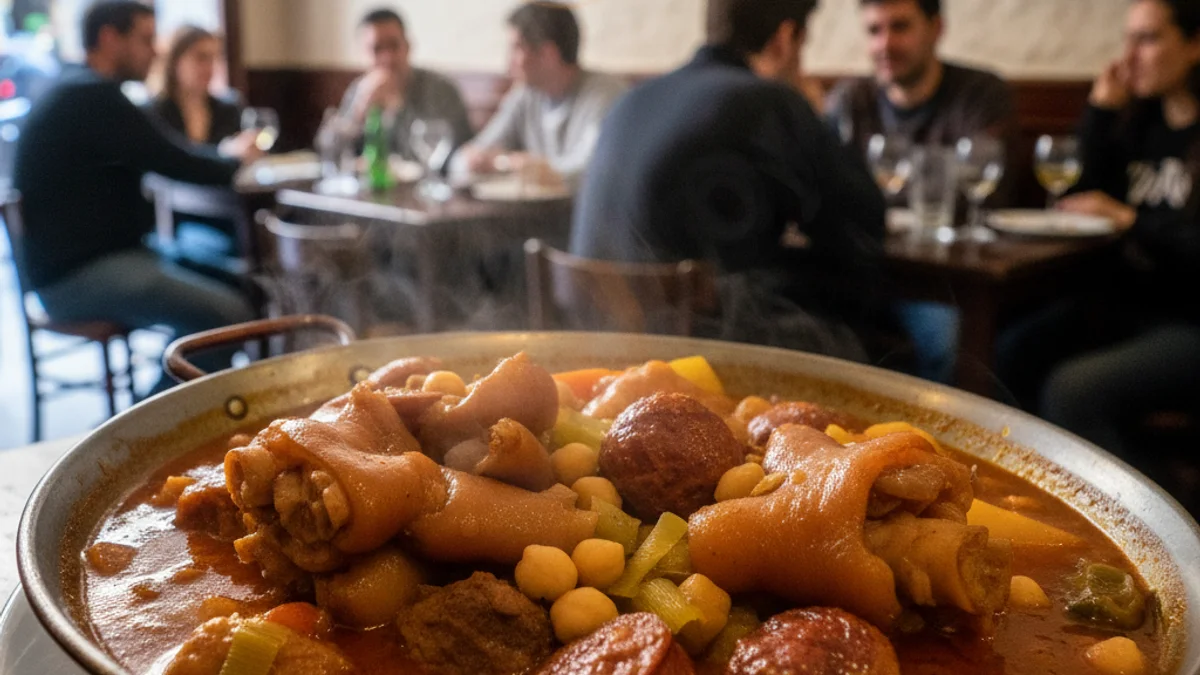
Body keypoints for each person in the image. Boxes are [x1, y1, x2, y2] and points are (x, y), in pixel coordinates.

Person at [570, 0, 886, 359]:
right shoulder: (767, 99)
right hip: (698, 359)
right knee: (871, 334)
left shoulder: (632, 98)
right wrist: (815, 114)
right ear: (785, 38)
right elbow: (864, 219)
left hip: (598, 352)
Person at [12, 1, 261, 394]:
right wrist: (233, 160)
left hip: (106, 258)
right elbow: (173, 160)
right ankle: (146, 426)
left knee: (242, 283)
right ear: (110, 38)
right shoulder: (91, 97)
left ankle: (207, 407)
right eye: (146, 39)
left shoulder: (73, 86)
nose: (156, 51)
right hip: (77, 277)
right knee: (229, 317)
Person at [999, 0, 1200, 456]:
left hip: (1187, 320)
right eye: (1127, 40)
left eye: (1147, 39)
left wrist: (1130, 220)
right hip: (1123, 307)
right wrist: (1101, 113)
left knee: (1071, 391)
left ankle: (1148, 519)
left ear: (1194, 45)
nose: (1129, 57)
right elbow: (1080, 202)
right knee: (1011, 350)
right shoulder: (1138, 126)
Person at [825, 0, 1018, 383]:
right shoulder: (850, 101)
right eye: (874, 31)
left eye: (900, 27)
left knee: (945, 341)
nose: (885, 44)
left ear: (936, 28)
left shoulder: (980, 94)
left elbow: (985, 193)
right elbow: (824, 192)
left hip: (943, 282)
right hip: (859, 271)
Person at [453, 1, 628, 189]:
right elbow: (466, 157)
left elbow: (592, 168)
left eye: (516, 48)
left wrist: (525, 167)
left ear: (548, 54)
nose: (508, 61)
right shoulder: (525, 95)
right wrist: (471, 161)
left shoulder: (605, 95)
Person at [326, 8, 472, 164]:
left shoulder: (441, 90)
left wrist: (397, 107)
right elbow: (330, 153)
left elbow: (450, 156)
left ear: (408, 46)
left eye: (394, 46)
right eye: (377, 49)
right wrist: (359, 111)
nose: (387, 58)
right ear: (362, 54)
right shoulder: (360, 90)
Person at [146, 25, 241, 146]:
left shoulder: (228, 110)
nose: (210, 68)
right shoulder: (153, 113)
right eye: (201, 57)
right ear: (174, 61)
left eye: (214, 58)